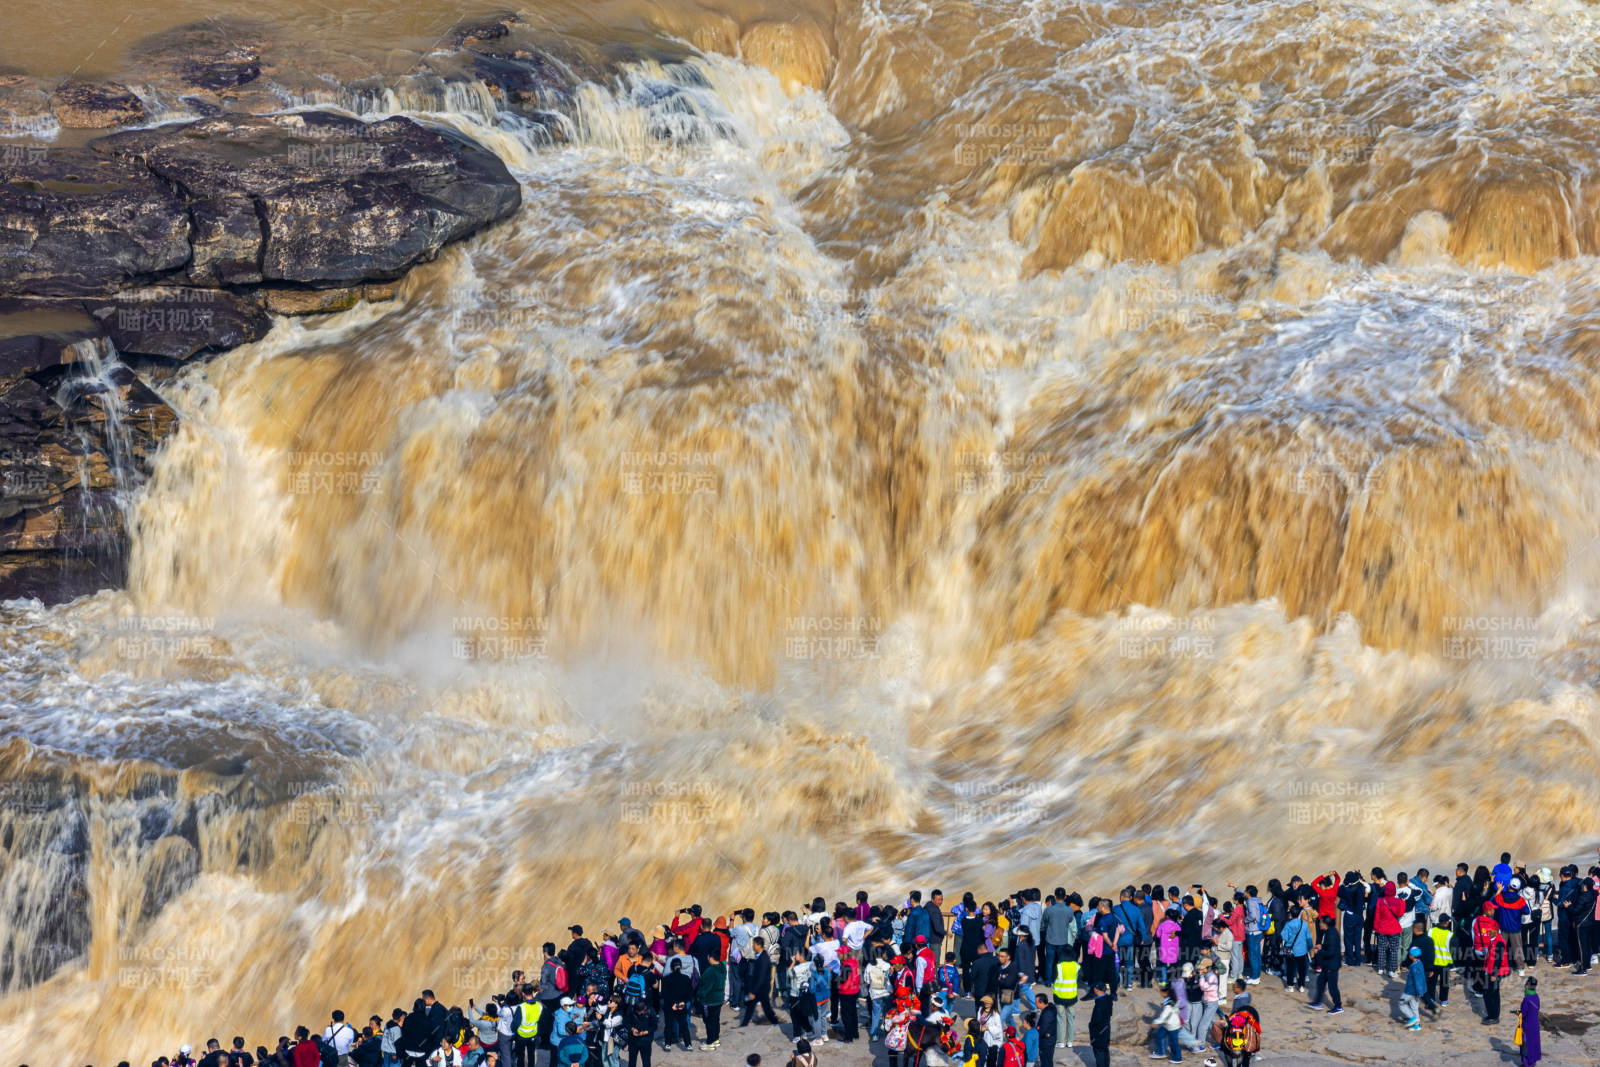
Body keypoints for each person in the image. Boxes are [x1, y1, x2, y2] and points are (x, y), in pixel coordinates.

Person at [1306, 915, 1343, 1014]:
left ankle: (1338, 1006)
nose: (1319, 924)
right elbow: (1329, 946)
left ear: (1325, 924)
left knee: (1332, 987)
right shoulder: (1330, 931)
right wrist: (1321, 946)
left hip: (1332, 965)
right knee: (1320, 982)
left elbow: (1330, 952)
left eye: (1321, 922)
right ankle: (1317, 1002)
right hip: (1328, 965)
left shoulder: (1330, 934)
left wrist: (1319, 952)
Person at [1049, 947, 1078, 1050]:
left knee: (1060, 1019)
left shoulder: (1058, 966)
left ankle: (1060, 1042)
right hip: (1072, 996)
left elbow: (1053, 978)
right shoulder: (1076, 966)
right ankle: (1070, 1041)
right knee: (1071, 1019)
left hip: (1059, 996)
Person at [699, 950, 727, 1051]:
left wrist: (699, 995)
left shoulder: (710, 971)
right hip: (719, 998)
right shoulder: (722, 967)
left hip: (710, 1000)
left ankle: (710, 1042)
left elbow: (706, 988)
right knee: (715, 1020)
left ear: (711, 958)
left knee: (709, 1021)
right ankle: (715, 1039)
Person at [1280, 908, 1311, 993]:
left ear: (1290, 914)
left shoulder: (1288, 925)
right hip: (1302, 950)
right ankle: (1301, 986)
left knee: (1290, 968)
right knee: (1302, 969)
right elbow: (1308, 937)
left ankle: (1290, 986)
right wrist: (1310, 946)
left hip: (1291, 950)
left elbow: (1284, 937)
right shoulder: (1304, 924)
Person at [1149, 986, 1183, 1064]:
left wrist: (1155, 1022)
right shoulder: (1172, 1000)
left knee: (1173, 1043)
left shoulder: (1169, 1004)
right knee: (1159, 1035)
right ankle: (1161, 1052)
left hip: (1172, 1026)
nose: (1161, 993)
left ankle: (1177, 1058)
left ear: (1166, 993)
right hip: (1167, 1024)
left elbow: (1164, 1016)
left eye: (1162, 992)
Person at [1398, 946, 1425, 1031]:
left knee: (1401, 1003)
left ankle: (1412, 1018)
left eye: (1410, 953)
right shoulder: (1419, 963)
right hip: (1416, 991)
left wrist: (1419, 991)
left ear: (1412, 956)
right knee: (1414, 1007)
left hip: (1410, 991)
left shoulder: (1415, 967)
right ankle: (1417, 1026)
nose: (1409, 954)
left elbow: (1417, 980)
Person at [1085, 984, 1112, 1067]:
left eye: (1095, 987)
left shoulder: (1100, 1003)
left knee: (1099, 1050)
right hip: (1106, 1028)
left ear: (1097, 990)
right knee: (1105, 1049)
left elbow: (1097, 1019)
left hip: (1099, 1031)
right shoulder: (1108, 998)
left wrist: (1091, 1025)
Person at [1517, 977, 1542, 1066]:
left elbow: (1523, 1013)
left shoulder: (1526, 999)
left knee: (1526, 1045)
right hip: (1535, 1023)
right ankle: (1533, 1063)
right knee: (1534, 1043)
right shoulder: (1536, 996)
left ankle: (1526, 1064)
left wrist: (1518, 1013)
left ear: (1527, 986)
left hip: (1527, 1025)